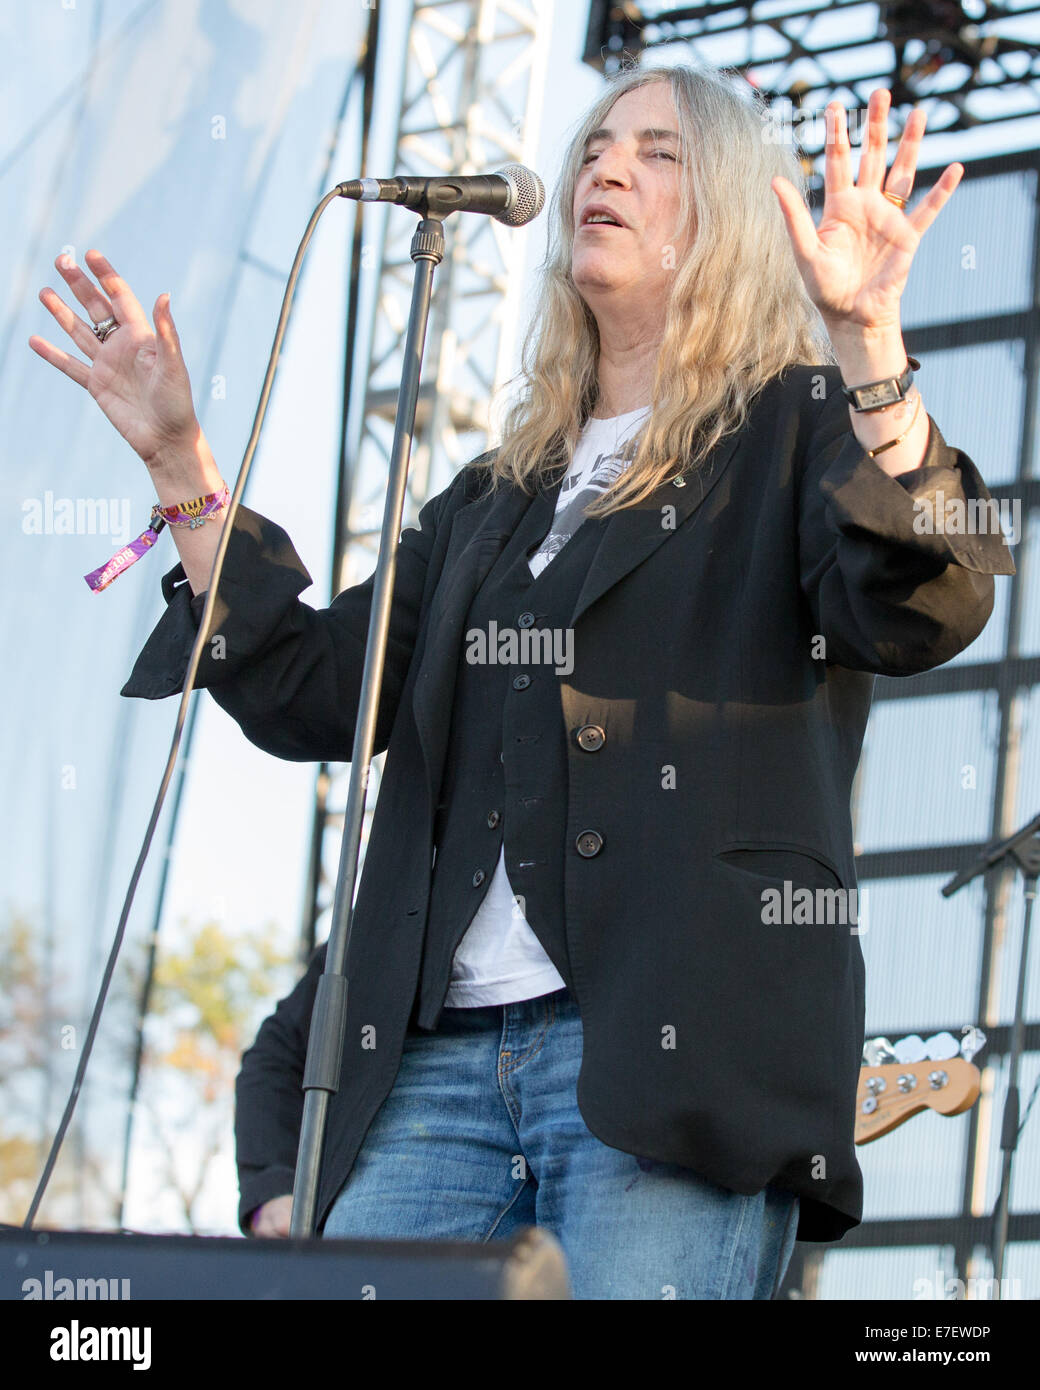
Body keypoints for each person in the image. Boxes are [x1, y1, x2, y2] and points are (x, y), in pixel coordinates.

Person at [30, 64, 1013, 1300]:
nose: (605, 165)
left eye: (656, 152)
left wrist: (868, 348)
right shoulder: (494, 499)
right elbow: (312, 687)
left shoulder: (796, 430)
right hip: (433, 1067)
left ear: (725, 211)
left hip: (667, 1059)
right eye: (598, 143)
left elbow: (925, 599)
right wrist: (181, 464)